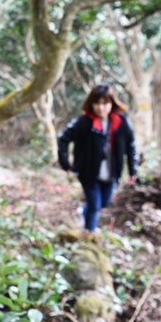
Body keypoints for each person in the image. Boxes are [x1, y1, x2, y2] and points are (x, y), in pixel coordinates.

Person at [57, 84, 138, 232]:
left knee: (104, 202)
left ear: (111, 103)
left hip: (111, 171)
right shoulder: (84, 122)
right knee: (94, 204)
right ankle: (89, 234)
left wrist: (133, 170)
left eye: (105, 103)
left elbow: (130, 145)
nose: (101, 108)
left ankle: (83, 213)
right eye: (97, 103)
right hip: (88, 172)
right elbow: (63, 138)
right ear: (91, 104)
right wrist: (66, 164)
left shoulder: (121, 122)